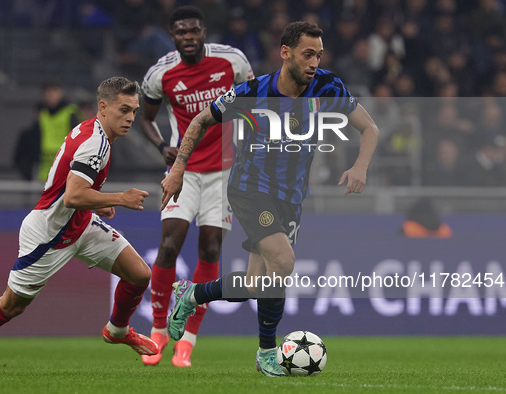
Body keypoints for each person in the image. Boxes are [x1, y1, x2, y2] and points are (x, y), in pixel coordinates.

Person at [160, 21, 379, 377]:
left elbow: (370, 128)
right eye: (308, 54)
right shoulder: (251, 92)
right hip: (249, 189)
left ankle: (192, 295)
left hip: (290, 198)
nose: (314, 62)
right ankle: (267, 353)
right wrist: (178, 169)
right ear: (286, 53)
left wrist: (361, 166)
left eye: (319, 55)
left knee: (256, 284)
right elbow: (201, 120)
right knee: (285, 261)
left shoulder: (327, 85)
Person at [0, 77, 159, 374]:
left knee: (139, 274)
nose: (131, 117)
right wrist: (120, 197)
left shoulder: (95, 133)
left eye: (134, 110)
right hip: (49, 235)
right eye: (124, 110)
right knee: (11, 306)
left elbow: (75, 191)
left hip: (80, 224)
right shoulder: (94, 143)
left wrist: (98, 202)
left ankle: (117, 331)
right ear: (103, 107)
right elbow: (72, 196)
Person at [139, 5, 254, 367]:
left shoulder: (232, 61)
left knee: (210, 249)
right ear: (172, 35)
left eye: (194, 31)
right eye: (181, 32)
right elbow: (146, 118)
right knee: (169, 245)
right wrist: (162, 146)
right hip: (183, 170)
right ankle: (158, 330)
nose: (188, 37)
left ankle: (188, 339)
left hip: (224, 171)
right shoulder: (161, 73)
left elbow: (253, 102)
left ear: (204, 31)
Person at [37, 80, 83, 182]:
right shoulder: (43, 114)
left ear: (60, 92)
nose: (50, 95)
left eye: (53, 91)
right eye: (47, 92)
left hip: (65, 170)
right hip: (46, 171)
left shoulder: (70, 112)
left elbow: (78, 141)